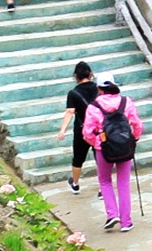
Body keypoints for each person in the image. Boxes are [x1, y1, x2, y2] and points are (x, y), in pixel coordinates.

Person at [81, 75, 142, 232]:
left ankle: (112, 214)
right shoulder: (125, 101)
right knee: (123, 182)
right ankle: (126, 222)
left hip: (104, 147)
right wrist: (133, 139)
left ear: (99, 88)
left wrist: (97, 143)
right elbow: (137, 124)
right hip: (124, 146)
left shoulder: (93, 106)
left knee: (105, 181)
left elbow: (87, 132)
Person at [55, 61, 99, 195]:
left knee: (78, 158)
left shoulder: (73, 93)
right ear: (90, 74)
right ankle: (102, 187)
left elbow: (70, 112)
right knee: (100, 157)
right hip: (99, 128)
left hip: (82, 130)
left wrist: (62, 130)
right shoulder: (99, 88)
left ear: (76, 76)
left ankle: (75, 184)